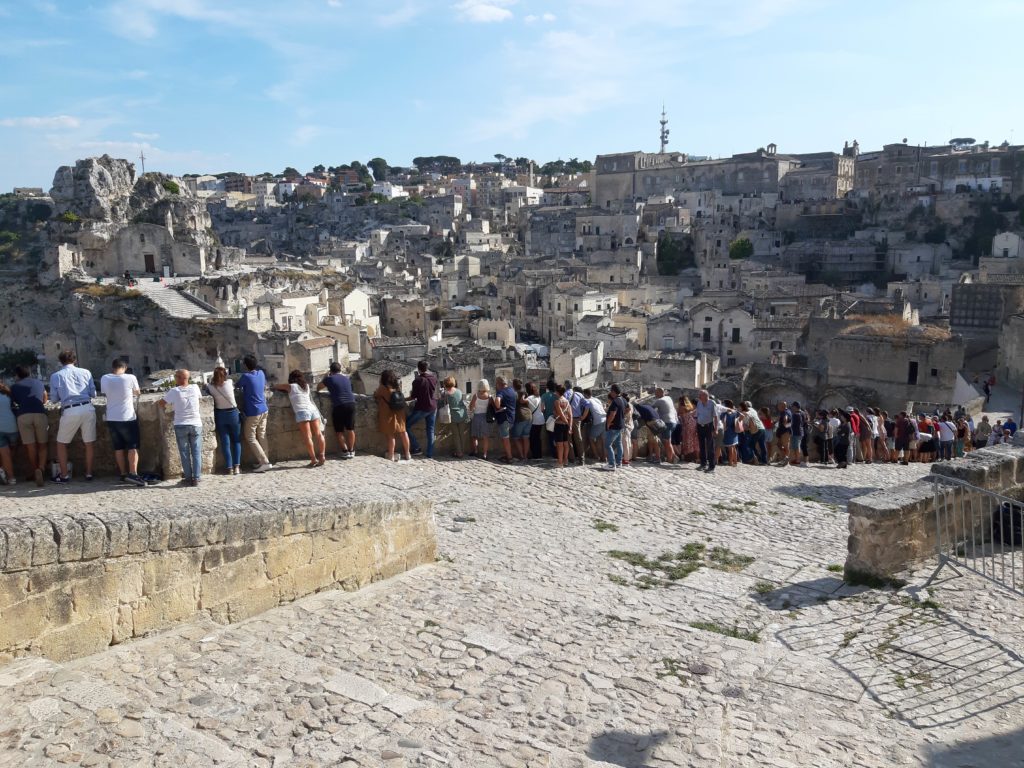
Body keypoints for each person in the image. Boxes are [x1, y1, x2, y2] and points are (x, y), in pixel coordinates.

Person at [49, 349, 97, 483]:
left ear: (60, 361)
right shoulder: (86, 372)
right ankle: (88, 473)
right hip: (88, 408)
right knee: (89, 443)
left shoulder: (56, 376)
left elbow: (53, 399)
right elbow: (93, 394)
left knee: (61, 444)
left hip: (70, 410)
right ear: (75, 360)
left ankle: (64, 475)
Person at [99, 358, 145, 486]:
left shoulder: (105, 378)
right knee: (133, 446)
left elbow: (105, 393)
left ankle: (123, 474)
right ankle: (133, 474)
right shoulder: (130, 377)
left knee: (118, 447)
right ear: (125, 368)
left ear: (113, 367)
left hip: (112, 417)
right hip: (127, 417)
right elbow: (137, 393)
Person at [158, 369, 203, 486]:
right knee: (197, 452)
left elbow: (161, 403)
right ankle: (197, 478)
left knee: (184, 453)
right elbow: (199, 399)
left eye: (176, 377)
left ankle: (188, 478)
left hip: (181, 424)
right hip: (196, 423)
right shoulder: (195, 388)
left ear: (178, 378)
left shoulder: (174, 391)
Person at [275, 370, 326, 467]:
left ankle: (313, 459)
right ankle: (322, 455)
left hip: (302, 411)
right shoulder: (306, 386)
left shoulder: (291, 386)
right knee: (319, 434)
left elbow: (276, 386)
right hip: (313, 410)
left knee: (308, 436)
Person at [10, 365, 48, 487]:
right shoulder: (38, 382)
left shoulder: (15, 386)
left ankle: (34, 469)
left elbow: (14, 402)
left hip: (23, 415)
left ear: (17, 375)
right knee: (42, 444)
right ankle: (41, 469)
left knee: (30, 446)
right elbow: (45, 399)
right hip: (39, 413)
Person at [238, 355, 273, 472]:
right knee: (262, 434)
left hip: (253, 411)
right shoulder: (261, 373)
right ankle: (264, 460)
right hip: (264, 408)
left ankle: (264, 462)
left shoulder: (246, 377)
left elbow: (237, 386)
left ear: (245, 366)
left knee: (250, 436)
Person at [207, 366, 242, 475]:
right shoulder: (229, 382)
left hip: (220, 415)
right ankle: (237, 467)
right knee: (236, 441)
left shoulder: (211, 387)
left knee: (225, 442)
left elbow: (207, 388)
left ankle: (229, 468)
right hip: (233, 414)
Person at [318, 362, 356, 459]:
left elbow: (318, 388)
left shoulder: (329, 379)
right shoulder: (347, 378)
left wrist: (326, 376)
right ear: (340, 370)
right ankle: (352, 450)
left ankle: (345, 451)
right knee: (350, 429)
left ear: (331, 371)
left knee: (339, 430)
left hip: (339, 405)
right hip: (351, 403)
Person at [374, 369, 410, 462]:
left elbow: (376, 395)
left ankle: (391, 455)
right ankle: (407, 454)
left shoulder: (383, 388)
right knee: (403, 432)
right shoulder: (397, 386)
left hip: (388, 413)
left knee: (390, 435)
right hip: (400, 412)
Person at [406, 361, 438, 458]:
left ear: (418, 369)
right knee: (431, 430)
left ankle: (416, 447)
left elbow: (413, 397)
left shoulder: (417, 381)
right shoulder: (433, 378)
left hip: (422, 407)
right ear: (427, 368)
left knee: (406, 426)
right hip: (433, 406)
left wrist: (403, 399)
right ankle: (430, 453)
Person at [438, 376, 468, 457]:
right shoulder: (459, 391)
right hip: (462, 414)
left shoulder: (446, 393)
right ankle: (462, 450)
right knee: (461, 434)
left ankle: (459, 453)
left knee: (456, 435)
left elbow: (441, 403)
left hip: (452, 416)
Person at [600, 384, 626, 471]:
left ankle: (611, 464)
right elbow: (627, 409)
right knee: (619, 443)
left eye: (611, 391)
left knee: (607, 444)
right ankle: (619, 462)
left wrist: (608, 423)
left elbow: (612, 414)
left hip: (614, 426)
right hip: (620, 425)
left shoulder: (615, 401)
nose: (610, 392)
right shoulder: (622, 400)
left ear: (614, 392)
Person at [694, 389, 719, 473]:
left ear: (705, 395)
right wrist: (696, 427)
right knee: (701, 446)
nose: (699, 396)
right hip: (700, 426)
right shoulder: (699, 403)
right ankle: (703, 464)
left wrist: (716, 429)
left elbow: (716, 417)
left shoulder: (712, 403)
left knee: (710, 447)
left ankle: (711, 467)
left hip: (708, 426)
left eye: (700, 395)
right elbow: (697, 415)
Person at [494, 376, 516, 463]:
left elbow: (497, 400)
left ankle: (509, 457)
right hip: (512, 417)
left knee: (505, 438)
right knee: (507, 438)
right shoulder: (512, 390)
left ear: (499, 384)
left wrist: (498, 407)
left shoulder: (501, 391)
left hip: (504, 418)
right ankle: (508, 454)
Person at [652, 387, 678, 464]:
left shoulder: (659, 401)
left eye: (656, 392)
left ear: (660, 392)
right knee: (668, 441)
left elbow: (651, 408)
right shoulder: (669, 398)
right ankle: (674, 457)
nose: (655, 394)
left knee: (667, 442)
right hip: (674, 422)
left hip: (667, 422)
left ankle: (670, 459)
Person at [469, 379, 492, 460]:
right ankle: (485, 454)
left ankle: (475, 451)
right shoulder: (489, 397)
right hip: (485, 418)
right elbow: (490, 408)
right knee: (485, 437)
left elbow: (471, 407)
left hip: (477, 417)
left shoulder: (476, 395)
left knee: (474, 436)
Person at [0, 384, 18, 486]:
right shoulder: (7, 394)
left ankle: (11, 478)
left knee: (5, 454)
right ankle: (3, 469)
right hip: (12, 426)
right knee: (12, 450)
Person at [566, 383, 587, 465]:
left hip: (568, 419)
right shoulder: (579, 394)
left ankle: (572, 458)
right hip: (577, 419)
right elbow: (587, 405)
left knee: (569, 439)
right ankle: (582, 459)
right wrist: (583, 417)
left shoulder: (566, 393)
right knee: (579, 439)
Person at [584, 388, 606, 462]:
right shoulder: (596, 399)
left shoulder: (588, 401)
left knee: (591, 438)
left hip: (598, 421)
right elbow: (603, 407)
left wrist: (581, 418)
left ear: (585, 394)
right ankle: (604, 457)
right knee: (603, 440)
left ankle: (596, 455)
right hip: (605, 419)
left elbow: (586, 411)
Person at [552, 383, 572, 468]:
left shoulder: (557, 401)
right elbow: (571, 415)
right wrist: (570, 426)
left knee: (559, 444)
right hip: (566, 425)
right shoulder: (567, 401)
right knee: (565, 443)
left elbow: (561, 414)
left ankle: (560, 462)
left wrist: (566, 422)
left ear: (557, 392)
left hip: (559, 424)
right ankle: (565, 460)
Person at [512, 379, 531, 460]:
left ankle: (522, 456)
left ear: (513, 386)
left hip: (520, 416)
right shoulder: (525, 393)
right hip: (529, 416)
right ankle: (526, 456)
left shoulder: (514, 394)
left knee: (516, 438)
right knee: (526, 437)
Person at [526, 381, 545, 461]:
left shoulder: (528, 398)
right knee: (537, 437)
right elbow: (543, 409)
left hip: (534, 420)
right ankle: (539, 454)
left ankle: (534, 454)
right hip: (541, 419)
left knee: (533, 438)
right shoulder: (539, 397)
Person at [541, 380, 558, 459]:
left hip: (548, 419)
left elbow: (542, 409)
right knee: (558, 436)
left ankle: (554, 453)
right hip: (557, 418)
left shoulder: (544, 396)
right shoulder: (557, 396)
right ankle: (559, 452)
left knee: (551, 437)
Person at [774, 402, 792, 466]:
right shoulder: (787, 411)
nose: (777, 407)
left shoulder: (785, 412)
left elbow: (785, 419)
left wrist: (785, 424)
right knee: (779, 444)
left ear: (782, 406)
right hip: (783, 432)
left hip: (785, 432)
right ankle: (785, 458)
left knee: (785, 446)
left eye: (779, 406)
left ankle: (786, 459)